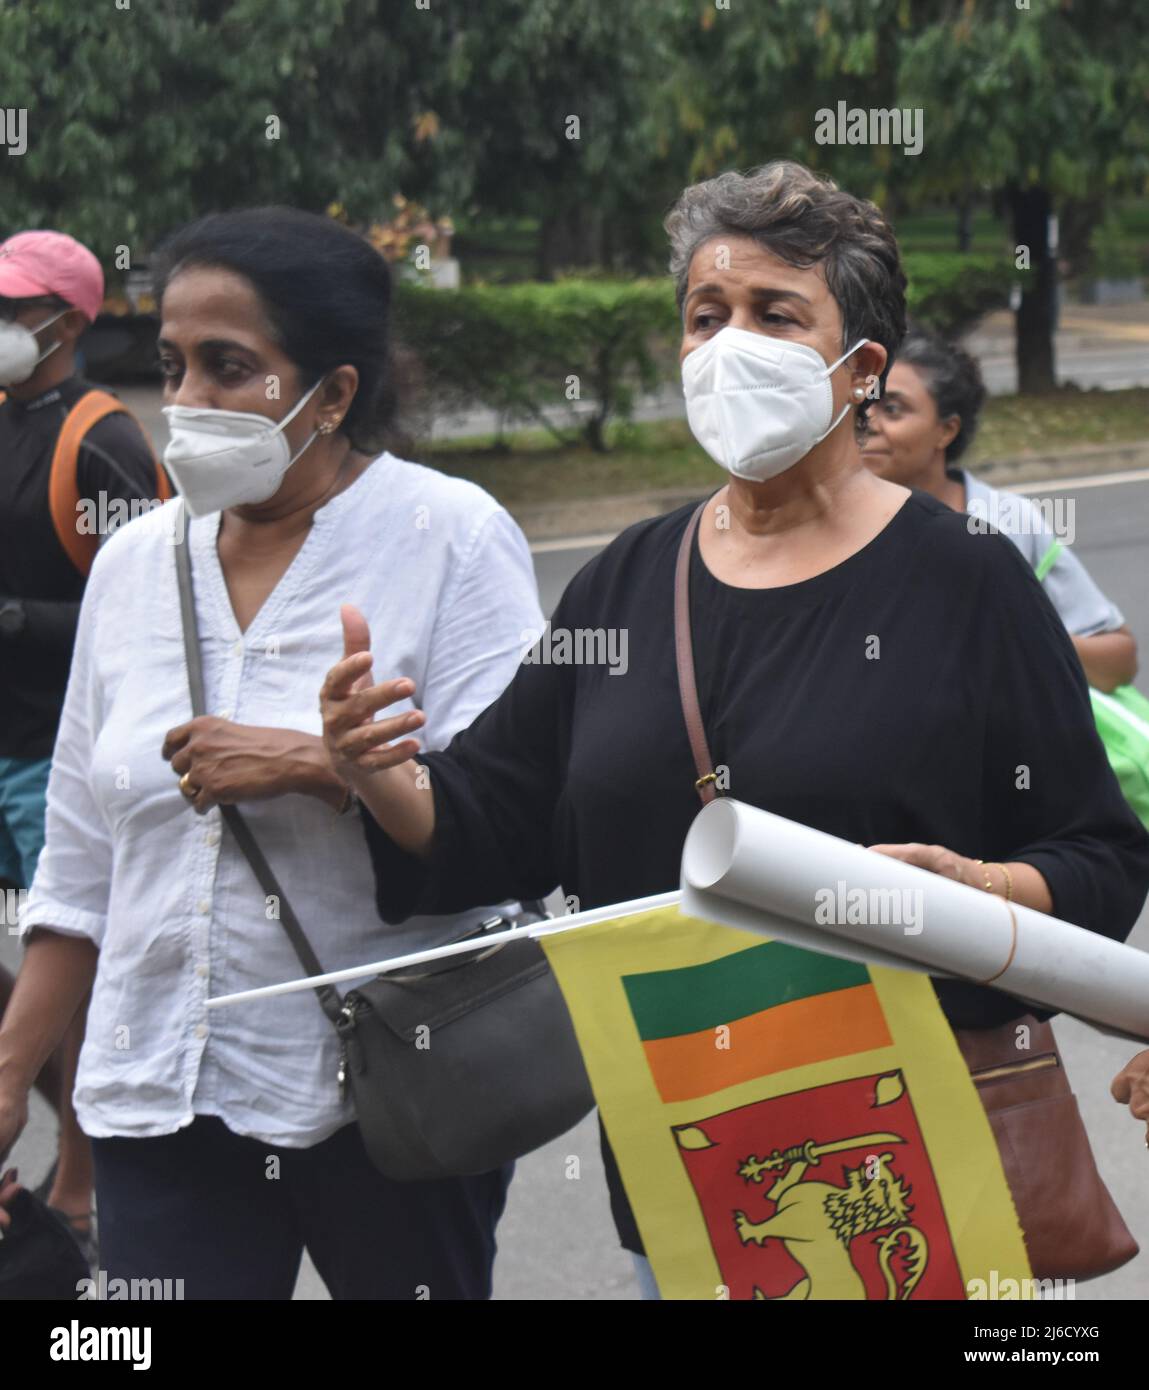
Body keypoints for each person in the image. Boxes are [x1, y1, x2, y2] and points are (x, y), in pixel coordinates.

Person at [318, 161, 1149, 1296]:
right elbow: (493, 820)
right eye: (705, 316)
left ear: (859, 370)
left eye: (773, 314)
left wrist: (981, 886)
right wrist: (375, 771)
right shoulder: (621, 582)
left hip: (919, 1174)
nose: (727, 344)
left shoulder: (968, 581)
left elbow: (1101, 860)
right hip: (695, 1179)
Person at [0, 207, 544, 1300]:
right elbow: (78, 862)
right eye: (171, 365)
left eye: (228, 366)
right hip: (159, 1091)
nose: (186, 401)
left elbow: (521, 829)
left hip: (387, 1093)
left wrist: (330, 767)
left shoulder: (453, 537)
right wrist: (10, 1071)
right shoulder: (135, 564)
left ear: (333, 393)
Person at [0, 230, 166, 1263]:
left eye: (16, 310)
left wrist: (12, 618)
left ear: (65, 319)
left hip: (52, 759)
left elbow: (140, 611)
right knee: (20, 984)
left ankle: (83, 1179)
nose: (5, 325)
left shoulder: (99, 439)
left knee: (65, 972)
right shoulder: (7, 417)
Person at [860, 325, 1137, 692]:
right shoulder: (813, 521)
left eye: (893, 409)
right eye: (861, 406)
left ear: (947, 430)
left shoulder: (1006, 521)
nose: (868, 424)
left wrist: (1014, 635)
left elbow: (1118, 660)